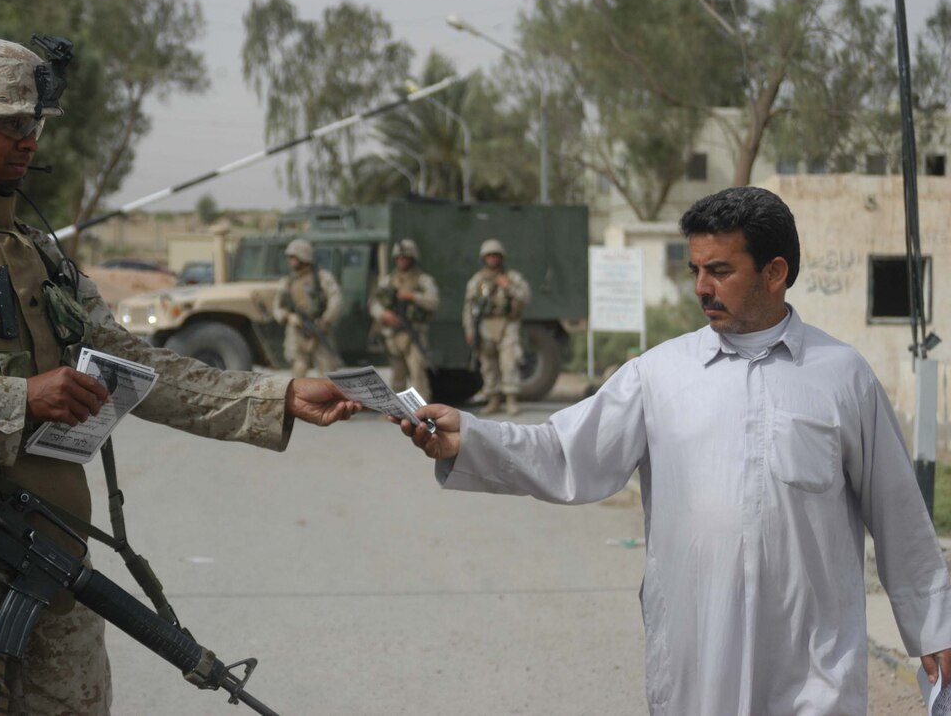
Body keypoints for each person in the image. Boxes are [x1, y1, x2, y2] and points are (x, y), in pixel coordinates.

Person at [0, 36, 361, 716]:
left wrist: (278, 395)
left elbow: (138, 365)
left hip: (51, 581)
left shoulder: (37, 254)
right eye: (13, 126)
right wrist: (19, 400)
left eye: (35, 125)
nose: (30, 142)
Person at [399, 186, 951, 715]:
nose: (701, 288)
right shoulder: (658, 375)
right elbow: (565, 450)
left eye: (721, 270)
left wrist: (934, 629)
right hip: (696, 654)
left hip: (811, 662)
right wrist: (468, 437)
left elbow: (898, 510)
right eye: (695, 270)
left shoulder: (842, 376)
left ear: (775, 272)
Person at [463, 239, 530, 415]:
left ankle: (511, 401)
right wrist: (469, 329)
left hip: (507, 323)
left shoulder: (512, 277)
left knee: (509, 362)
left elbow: (525, 296)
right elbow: (468, 307)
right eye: (489, 256)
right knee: (488, 365)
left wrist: (508, 287)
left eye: (495, 256)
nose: (492, 259)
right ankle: (493, 400)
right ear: (484, 258)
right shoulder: (477, 280)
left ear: (501, 257)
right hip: (485, 325)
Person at [368, 238, 439, 401]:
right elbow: (374, 303)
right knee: (397, 374)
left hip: (414, 333)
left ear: (412, 259)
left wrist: (413, 296)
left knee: (417, 373)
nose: (401, 261)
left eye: (405, 258)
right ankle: (397, 409)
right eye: (399, 258)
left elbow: (433, 301)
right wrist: (383, 315)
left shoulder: (423, 280)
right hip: (393, 334)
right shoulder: (388, 280)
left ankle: (422, 409)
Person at [272, 237, 344, 377]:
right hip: (296, 332)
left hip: (319, 328)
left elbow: (336, 300)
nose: (291, 260)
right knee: (298, 371)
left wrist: (325, 320)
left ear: (304, 256)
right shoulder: (287, 282)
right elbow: (277, 308)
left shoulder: (322, 278)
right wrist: (289, 316)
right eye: (290, 257)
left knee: (328, 374)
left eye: (294, 256)